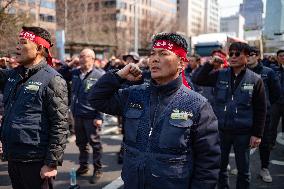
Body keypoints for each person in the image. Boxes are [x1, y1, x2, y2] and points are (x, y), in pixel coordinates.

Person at [88, 32, 220, 189]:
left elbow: (208, 163)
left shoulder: (197, 105)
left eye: (163, 53)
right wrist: (118, 76)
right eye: (152, 54)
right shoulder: (134, 94)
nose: (155, 59)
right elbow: (96, 99)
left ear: (181, 63)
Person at [0, 26, 69, 189]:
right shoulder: (12, 75)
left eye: (23, 42)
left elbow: (60, 124)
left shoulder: (53, 79)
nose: (17, 47)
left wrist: (51, 163)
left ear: (39, 48)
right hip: (13, 156)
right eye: (18, 42)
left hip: (35, 161)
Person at [192, 42, 267, 189]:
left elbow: (261, 109)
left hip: (243, 133)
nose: (233, 57)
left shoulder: (255, 79)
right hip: (221, 130)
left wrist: (257, 134)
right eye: (231, 54)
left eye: (237, 54)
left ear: (247, 56)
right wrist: (210, 64)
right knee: (220, 168)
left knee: (244, 171)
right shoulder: (221, 74)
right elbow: (198, 80)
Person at [58, 48, 105, 184]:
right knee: (81, 143)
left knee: (95, 144)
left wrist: (99, 117)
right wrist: (70, 64)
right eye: (80, 56)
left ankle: (98, 169)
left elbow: (103, 97)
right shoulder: (75, 72)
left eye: (84, 56)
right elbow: (59, 74)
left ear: (92, 58)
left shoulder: (99, 75)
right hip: (77, 114)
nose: (81, 58)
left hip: (92, 115)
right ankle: (83, 166)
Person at [247, 46, 280, 183]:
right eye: (247, 54)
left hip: (263, 115)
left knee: (264, 144)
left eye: (252, 54)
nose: (249, 57)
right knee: (243, 143)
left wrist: (265, 105)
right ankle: (245, 168)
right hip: (245, 114)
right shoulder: (241, 72)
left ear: (258, 56)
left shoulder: (268, 72)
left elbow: (276, 93)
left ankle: (264, 168)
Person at [270, 49, 284, 148]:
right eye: (281, 56)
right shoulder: (272, 69)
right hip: (276, 102)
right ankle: (271, 143)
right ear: (277, 58)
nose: (283, 57)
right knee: (272, 125)